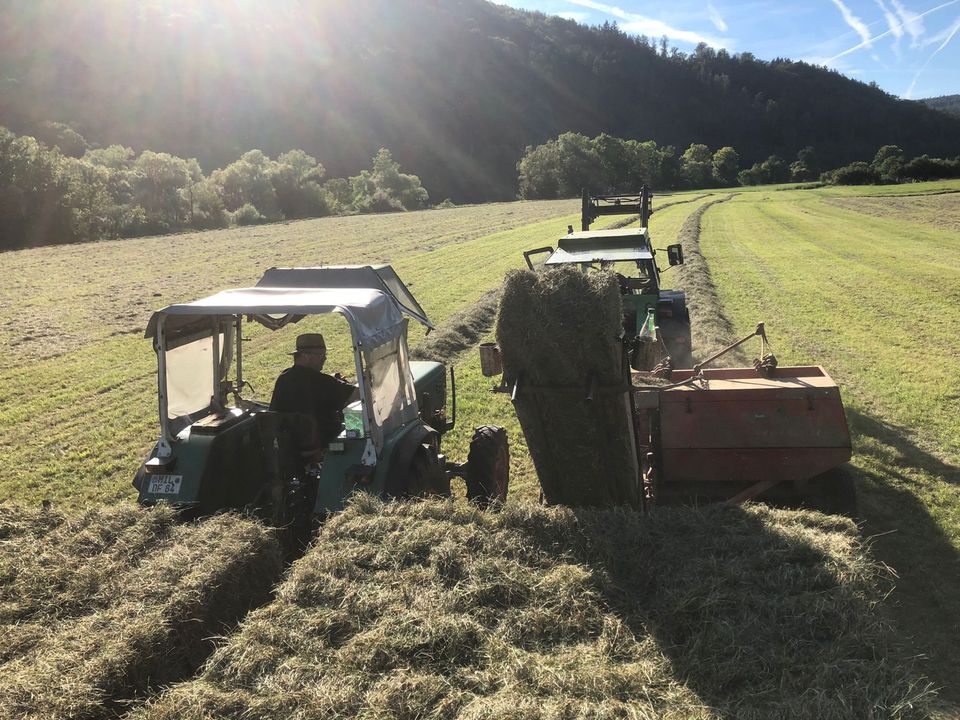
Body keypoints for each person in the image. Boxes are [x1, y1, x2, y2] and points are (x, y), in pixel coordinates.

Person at [269, 333, 359, 456]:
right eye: (321, 355)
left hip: (288, 448)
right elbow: (357, 395)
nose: (325, 359)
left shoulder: (283, 379)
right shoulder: (321, 382)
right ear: (305, 356)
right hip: (322, 445)